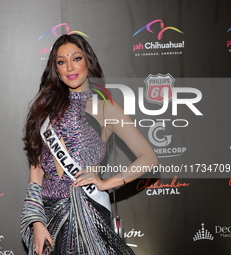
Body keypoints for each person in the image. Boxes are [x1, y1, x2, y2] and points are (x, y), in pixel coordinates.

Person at [20, 34, 158, 255]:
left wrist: (107, 183)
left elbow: (149, 158)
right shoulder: (43, 110)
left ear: (88, 62)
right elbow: (36, 170)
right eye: (61, 62)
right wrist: (36, 221)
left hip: (87, 212)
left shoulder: (105, 108)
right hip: (47, 213)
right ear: (56, 69)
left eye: (77, 58)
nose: (70, 67)